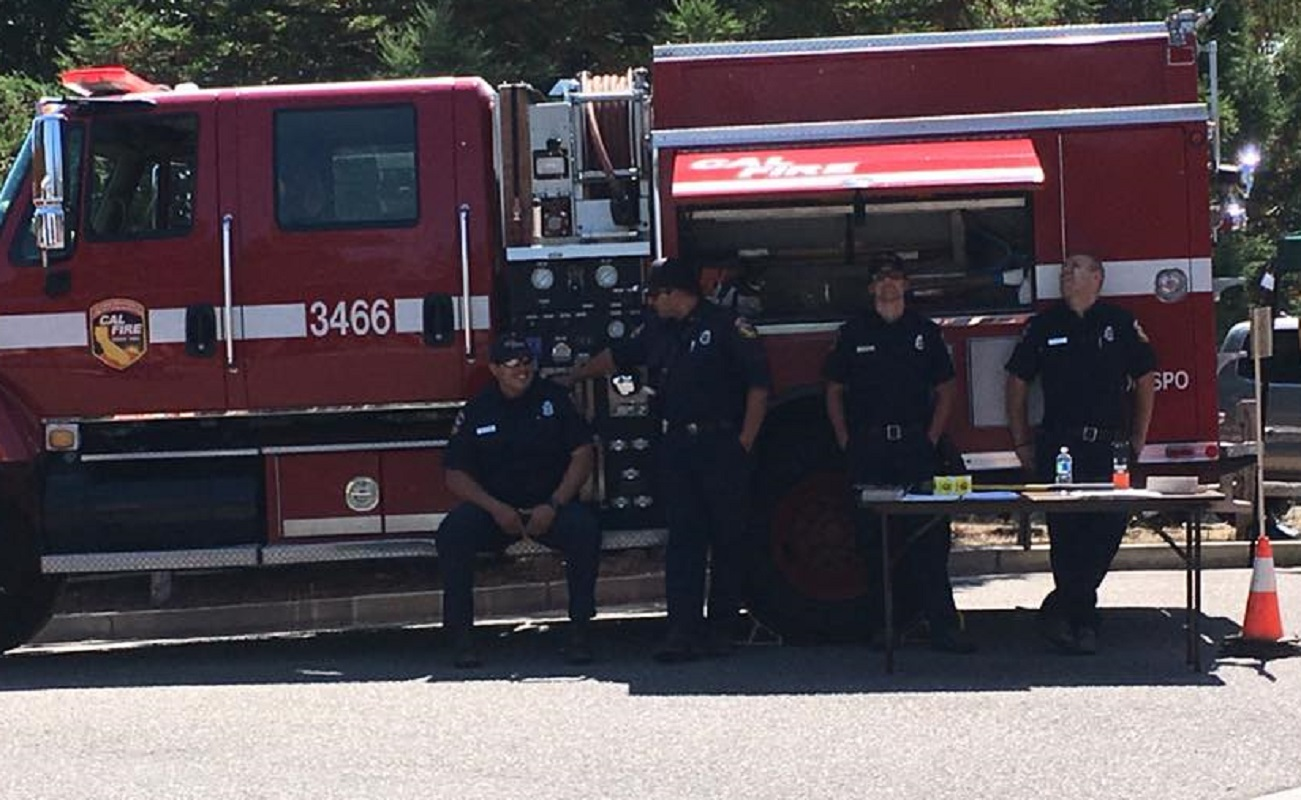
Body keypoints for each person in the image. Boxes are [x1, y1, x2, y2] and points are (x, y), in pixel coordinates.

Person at [566, 257, 771, 662]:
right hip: (677, 447)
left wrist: (745, 441)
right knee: (683, 542)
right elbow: (618, 356)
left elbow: (759, 387)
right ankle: (682, 631)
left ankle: (723, 629)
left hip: (721, 444)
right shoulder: (658, 329)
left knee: (728, 539)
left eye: (654, 294)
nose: (650, 302)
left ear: (676, 293)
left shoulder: (727, 326)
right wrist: (574, 376)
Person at [1005, 253, 1157, 655]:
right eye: (1063, 270)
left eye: (1076, 268)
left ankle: (1061, 609)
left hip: (1111, 447)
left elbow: (1145, 379)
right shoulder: (1044, 326)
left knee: (1109, 528)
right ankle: (1081, 621)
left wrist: (1139, 435)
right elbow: (1017, 383)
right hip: (1061, 447)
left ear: (1097, 278)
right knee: (1067, 533)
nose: (1066, 274)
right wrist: (1021, 442)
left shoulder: (1119, 323)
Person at [823, 253, 975, 654]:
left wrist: (930, 438)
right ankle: (883, 627)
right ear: (871, 287)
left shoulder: (924, 332)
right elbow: (834, 389)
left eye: (895, 277)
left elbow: (946, 389)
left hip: (914, 448)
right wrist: (844, 438)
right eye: (880, 278)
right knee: (873, 543)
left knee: (929, 541)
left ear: (906, 285)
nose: (888, 284)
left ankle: (943, 627)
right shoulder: (853, 333)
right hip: (869, 448)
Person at [437, 332, 601, 668]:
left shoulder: (555, 400)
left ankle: (581, 633)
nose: (522, 370)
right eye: (512, 363)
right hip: (497, 511)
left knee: (585, 530)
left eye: (527, 362)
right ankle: (461, 638)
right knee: (453, 534)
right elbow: (454, 473)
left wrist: (554, 504)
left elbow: (583, 453)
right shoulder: (478, 409)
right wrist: (496, 509)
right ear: (495, 369)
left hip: (549, 507)